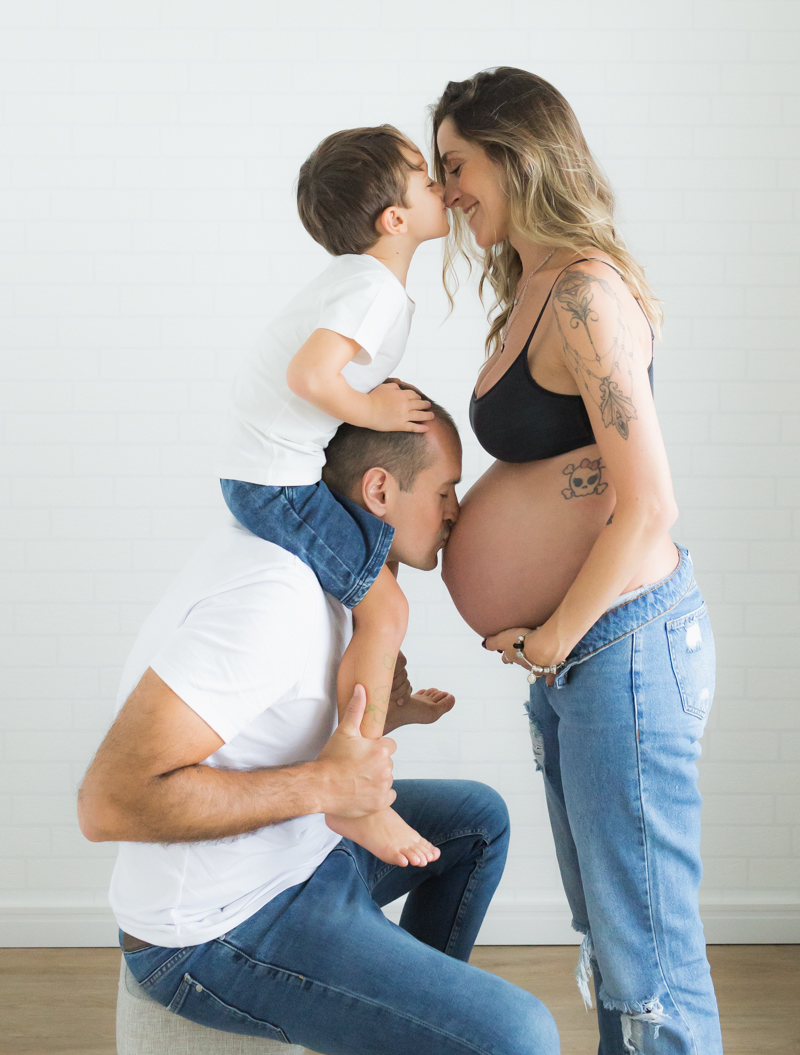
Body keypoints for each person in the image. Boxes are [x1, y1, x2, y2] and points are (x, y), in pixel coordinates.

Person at [77, 407, 560, 1055]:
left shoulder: (342, 584)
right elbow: (109, 802)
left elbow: (274, 731)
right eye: (445, 491)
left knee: (477, 819)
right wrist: (327, 787)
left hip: (302, 856)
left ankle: (413, 1029)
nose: (456, 512)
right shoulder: (273, 598)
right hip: (215, 929)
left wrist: (382, 720)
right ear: (380, 490)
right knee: (521, 1034)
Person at [432, 67, 722, 1055]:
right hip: (588, 659)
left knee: (648, 961)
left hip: (619, 648)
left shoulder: (586, 296)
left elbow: (650, 505)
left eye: (457, 165)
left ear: (516, 154)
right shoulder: (536, 286)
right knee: (612, 942)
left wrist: (555, 636)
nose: (448, 191)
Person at [219, 124, 451, 867]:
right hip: (276, 482)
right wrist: (375, 409)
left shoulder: (362, 283)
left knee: (378, 578)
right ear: (395, 218)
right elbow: (310, 376)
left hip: (273, 473)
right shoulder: (370, 286)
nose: (442, 184)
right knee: (389, 607)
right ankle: (357, 796)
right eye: (426, 177)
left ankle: (380, 707)